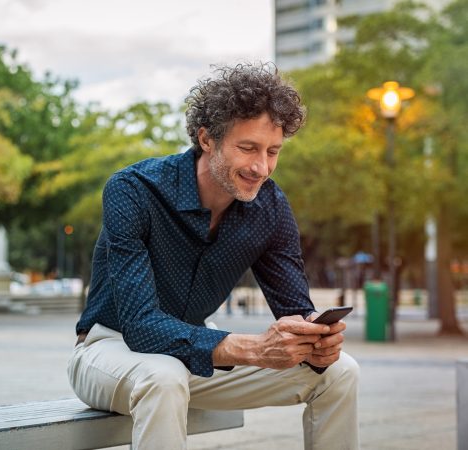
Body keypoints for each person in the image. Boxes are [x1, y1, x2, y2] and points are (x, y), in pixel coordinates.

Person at [67, 62, 359, 450]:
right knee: (163, 375)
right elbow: (140, 325)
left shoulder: (270, 207)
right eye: (248, 148)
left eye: (273, 151)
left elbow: (295, 311)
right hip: (109, 351)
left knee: (340, 372)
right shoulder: (133, 190)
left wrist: (316, 343)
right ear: (207, 139)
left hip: (191, 360)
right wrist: (252, 348)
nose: (262, 167)